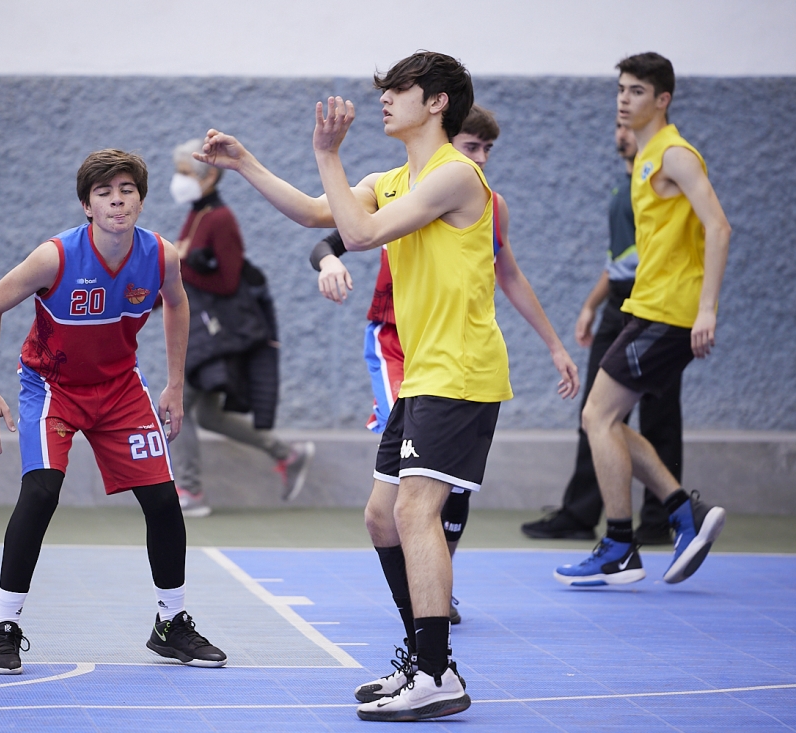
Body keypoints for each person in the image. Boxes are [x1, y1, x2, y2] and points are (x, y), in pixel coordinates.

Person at [196, 51, 577, 721]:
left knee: (414, 511)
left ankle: (435, 673)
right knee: (382, 515)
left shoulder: (456, 174)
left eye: (400, 88)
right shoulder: (392, 179)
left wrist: (327, 152)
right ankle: (427, 659)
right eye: (385, 88)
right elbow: (318, 215)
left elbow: (361, 233)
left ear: (437, 102)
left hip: (461, 370)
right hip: (424, 371)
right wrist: (246, 163)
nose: (385, 97)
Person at [310, 105, 579, 626]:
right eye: (472, 146)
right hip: (396, 343)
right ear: (447, 136)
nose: (480, 158)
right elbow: (334, 228)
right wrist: (326, 256)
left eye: (486, 149)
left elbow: (509, 274)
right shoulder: (397, 187)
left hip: (451, 360)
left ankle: (434, 607)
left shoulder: (474, 194)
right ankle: (426, 615)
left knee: (423, 497)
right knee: (393, 508)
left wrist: (555, 345)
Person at [0, 149, 226, 674]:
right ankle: (4, 626)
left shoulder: (160, 255)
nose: (117, 200)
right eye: (104, 192)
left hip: (119, 388)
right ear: (87, 205)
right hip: (53, 386)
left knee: (163, 499)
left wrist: (175, 384)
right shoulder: (55, 257)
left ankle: (171, 624)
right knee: (41, 492)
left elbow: (177, 303)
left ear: (140, 200)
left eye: (127, 190)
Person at [555, 53, 732, 587]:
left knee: (598, 416)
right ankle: (681, 512)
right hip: (646, 305)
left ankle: (620, 544)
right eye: (621, 90)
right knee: (603, 417)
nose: (624, 99)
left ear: (662, 100)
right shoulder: (646, 157)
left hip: (671, 311)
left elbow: (719, 228)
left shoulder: (675, 155)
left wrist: (707, 309)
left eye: (636, 91)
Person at [522, 120, 680, 544]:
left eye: (630, 126)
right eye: (618, 126)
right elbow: (618, 260)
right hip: (618, 303)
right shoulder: (623, 187)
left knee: (660, 414)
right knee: (595, 411)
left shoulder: (663, 182)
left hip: (654, 304)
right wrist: (591, 305)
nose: (622, 133)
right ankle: (580, 512)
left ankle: (659, 519)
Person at [169, 138, 315, 518]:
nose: (178, 181)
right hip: (203, 334)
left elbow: (227, 282)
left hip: (218, 335)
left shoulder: (220, 219)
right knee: (208, 415)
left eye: (184, 173)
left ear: (208, 176)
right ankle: (288, 454)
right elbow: (183, 276)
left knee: (173, 406)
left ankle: (190, 490)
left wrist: (182, 264)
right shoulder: (197, 215)